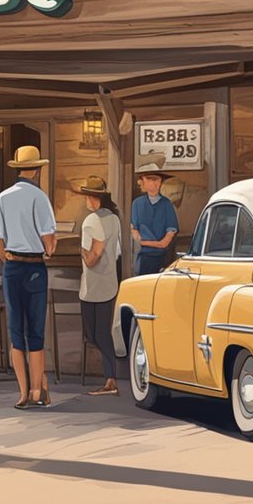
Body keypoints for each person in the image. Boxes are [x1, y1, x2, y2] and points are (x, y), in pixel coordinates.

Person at [0, 145, 57, 409]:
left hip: (12, 268)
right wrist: (50, 248)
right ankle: (37, 390)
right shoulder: (40, 198)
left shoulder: (3, 197)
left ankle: (21, 392)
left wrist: (6, 258)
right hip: (35, 268)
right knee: (36, 332)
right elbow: (49, 244)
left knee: (16, 332)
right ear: (38, 170)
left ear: (17, 169)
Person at [75, 176, 123, 397]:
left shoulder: (91, 221)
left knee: (94, 334)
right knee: (102, 332)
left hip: (93, 286)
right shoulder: (113, 218)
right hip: (110, 282)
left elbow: (92, 257)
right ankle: (110, 378)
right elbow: (118, 251)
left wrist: (81, 251)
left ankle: (110, 380)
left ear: (91, 197)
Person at [130, 152, 179, 276]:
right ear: (142, 182)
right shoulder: (137, 204)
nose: (154, 183)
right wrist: (144, 243)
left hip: (163, 258)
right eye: (149, 179)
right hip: (141, 258)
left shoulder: (167, 205)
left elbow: (166, 241)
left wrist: (145, 242)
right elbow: (134, 231)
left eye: (156, 179)